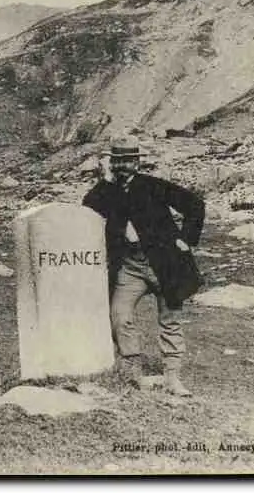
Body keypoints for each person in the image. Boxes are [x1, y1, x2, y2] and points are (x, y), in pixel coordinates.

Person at [83, 135, 205, 397]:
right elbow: (87, 207)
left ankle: (172, 378)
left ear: (137, 162)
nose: (122, 166)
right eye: (117, 161)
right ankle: (133, 374)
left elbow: (195, 205)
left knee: (170, 321)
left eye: (127, 161)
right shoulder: (107, 191)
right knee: (119, 316)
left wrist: (186, 239)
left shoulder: (154, 186)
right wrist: (105, 180)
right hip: (130, 266)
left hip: (164, 264)